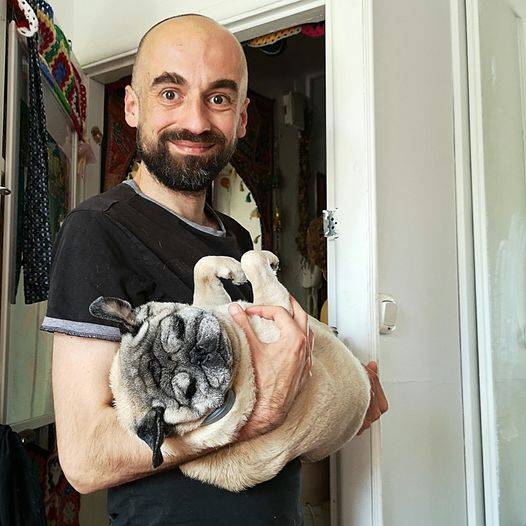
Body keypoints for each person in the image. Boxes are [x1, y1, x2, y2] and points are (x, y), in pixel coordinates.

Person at [41, 13, 387, 525]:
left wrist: (344, 390)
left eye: (219, 98)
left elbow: (269, 372)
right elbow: (86, 458)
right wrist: (252, 417)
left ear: (242, 118)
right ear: (133, 106)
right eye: (170, 93)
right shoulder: (97, 230)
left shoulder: (236, 239)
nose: (197, 121)